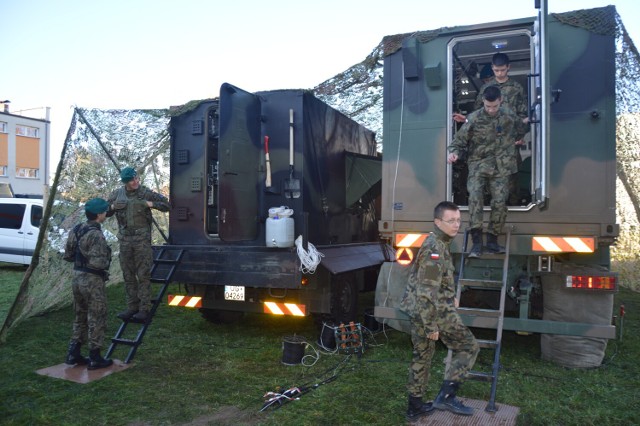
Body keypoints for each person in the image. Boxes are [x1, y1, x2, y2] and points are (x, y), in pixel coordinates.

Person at [400, 201, 480, 420]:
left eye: (458, 220)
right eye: (451, 220)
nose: (456, 225)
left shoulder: (440, 242)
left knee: (422, 356)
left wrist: (450, 293)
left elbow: (435, 280)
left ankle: (414, 406)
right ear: (438, 222)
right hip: (432, 312)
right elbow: (426, 291)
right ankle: (446, 396)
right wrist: (431, 325)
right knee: (469, 347)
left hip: (422, 309)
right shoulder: (435, 247)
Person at [448, 86, 528, 257]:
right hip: (479, 165)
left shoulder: (509, 115)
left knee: (499, 202)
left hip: (501, 167)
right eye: (488, 106)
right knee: (475, 197)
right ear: (483, 102)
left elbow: (521, 129)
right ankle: (476, 243)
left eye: (494, 106)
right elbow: (458, 141)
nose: (491, 110)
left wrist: (518, 138)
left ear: (500, 101)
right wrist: (453, 153)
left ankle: (492, 241)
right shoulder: (474, 118)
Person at [454, 52, 529, 206]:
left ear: (508, 67)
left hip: (509, 142)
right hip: (487, 144)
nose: (500, 73)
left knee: (512, 179)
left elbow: (523, 116)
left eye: (502, 70)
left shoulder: (516, 88)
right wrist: (466, 119)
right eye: (496, 70)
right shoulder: (486, 89)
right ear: (493, 68)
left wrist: (520, 135)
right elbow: (477, 114)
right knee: (488, 180)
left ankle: (513, 208)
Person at [107, 167, 170, 322]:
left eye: (136, 179)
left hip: (142, 241)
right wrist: (112, 207)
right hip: (125, 241)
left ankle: (144, 309)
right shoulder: (116, 194)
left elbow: (167, 205)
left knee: (143, 275)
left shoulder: (145, 193)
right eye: (132, 180)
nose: (136, 182)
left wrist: (150, 204)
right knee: (128, 275)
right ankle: (131, 307)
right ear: (125, 182)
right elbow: (105, 211)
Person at [64, 197, 113, 370]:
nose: (106, 213)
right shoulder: (96, 235)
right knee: (97, 315)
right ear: (100, 214)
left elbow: (68, 254)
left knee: (80, 315)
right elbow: (99, 263)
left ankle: (73, 352)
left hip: (77, 276)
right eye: (105, 211)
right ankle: (95, 357)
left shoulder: (77, 229)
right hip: (92, 279)